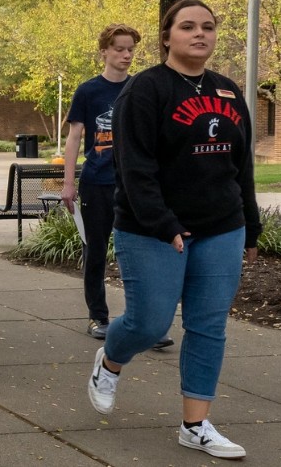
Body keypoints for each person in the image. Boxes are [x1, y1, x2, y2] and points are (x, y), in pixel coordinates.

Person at [87, 0, 261, 460]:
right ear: (167, 37)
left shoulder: (227, 91)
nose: (199, 33)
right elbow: (134, 168)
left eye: (207, 26)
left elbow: (241, 166)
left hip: (221, 226)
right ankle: (110, 361)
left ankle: (195, 425)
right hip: (152, 228)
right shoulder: (145, 90)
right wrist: (164, 223)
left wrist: (251, 225)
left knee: (208, 327)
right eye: (188, 26)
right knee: (150, 322)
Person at [61, 24, 174, 349]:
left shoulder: (141, 88)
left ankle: (148, 325)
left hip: (135, 186)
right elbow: (74, 137)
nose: (126, 55)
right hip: (97, 183)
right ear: (104, 52)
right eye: (120, 49)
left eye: (130, 50)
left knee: (144, 255)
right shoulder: (88, 91)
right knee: (95, 253)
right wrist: (69, 183)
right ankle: (98, 317)